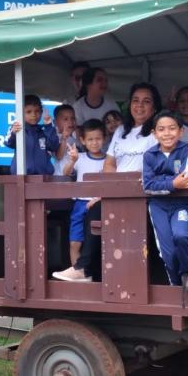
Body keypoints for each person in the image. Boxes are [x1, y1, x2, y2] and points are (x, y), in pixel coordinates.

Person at [71, 83, 162, 281]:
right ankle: (85, 271)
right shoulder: (121, 131)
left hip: (143, 195)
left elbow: (154, 167)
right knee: (93, 210)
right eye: (135, 101)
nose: (140, 105)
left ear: (154, 107)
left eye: (146, 101)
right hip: (117, 193)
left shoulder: (157, 132)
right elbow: (110, 164)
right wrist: (108, 191)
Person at [143, 110, 188, 291]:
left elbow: (187, 177)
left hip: (181, 205)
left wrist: (166, 183)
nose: (167, 133)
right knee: (167, 251)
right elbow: (147, 186)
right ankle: (175, 284)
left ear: (181, 131)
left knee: (182, 236)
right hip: (158, 206)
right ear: (154, 133)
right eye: (161, 129)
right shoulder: (149, 155)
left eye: (172, 128)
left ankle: (187, 273)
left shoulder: (186, 149)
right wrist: (173, 183)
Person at [52, 119, 108, 282]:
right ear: (82, 140)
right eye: (90, 139)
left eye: (98, 138)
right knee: (75, 242)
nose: (94, 142)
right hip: (80, 204)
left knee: (97, 242)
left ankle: (89, 273)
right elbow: (65, 172)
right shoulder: (80, 157)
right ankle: (78, 274)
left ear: (104, 138)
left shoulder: (109, 160)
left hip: (99, 203)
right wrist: (73, 160)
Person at [5, 94, 58, 175]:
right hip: (21, 177)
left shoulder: (44, 130)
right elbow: (8, 143)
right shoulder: (17, 129)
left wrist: (48, 126)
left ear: (41, 112)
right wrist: (13, 133)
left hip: (43, 177)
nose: (33, 115)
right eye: (29, 112)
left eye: (37, 111)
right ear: (20, 113)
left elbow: (54, 146)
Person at [52, 104, 78, 177]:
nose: (70, 122)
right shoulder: (55, 137)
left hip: (74, 175)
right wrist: (64, 139)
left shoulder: (75, 137)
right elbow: (59, 156)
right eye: (65, 119)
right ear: (55, 122)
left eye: (73, 118)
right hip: (60, 176)